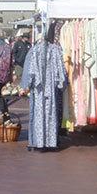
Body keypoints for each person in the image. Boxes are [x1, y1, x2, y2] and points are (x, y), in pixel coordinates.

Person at [21, 22, 67, 151]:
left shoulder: (35, 50)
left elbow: (31, 71)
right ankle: (51, 142)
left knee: (39, 114)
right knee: (51, 113)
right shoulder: (56, 50)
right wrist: (60, 83)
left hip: (39, 88)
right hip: (50, 87)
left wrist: (28, 85)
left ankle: (40, 143)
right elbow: (60, 70)